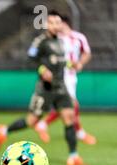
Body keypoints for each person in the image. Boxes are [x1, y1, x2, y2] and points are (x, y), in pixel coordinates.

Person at [0, 11, 83, 165]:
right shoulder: (40, 41)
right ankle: (4, 131)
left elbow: (61, 62)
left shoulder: (61, 42)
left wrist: (71, 65)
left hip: (61, 87)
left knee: (70, 118)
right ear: (47, 24)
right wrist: (42, 70)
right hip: (45, 89)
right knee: (31, 120)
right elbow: (29, 60)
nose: (56, 25)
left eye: (58, 22)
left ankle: (73, 156)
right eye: (53, 22)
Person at [34, 15, 96, 145]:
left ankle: (42, 124)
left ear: (64, 24)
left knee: (67, 106)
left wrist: (80, 63)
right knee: (71, 105)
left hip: (72, 76)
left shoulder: (78, 37)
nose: (56, 26)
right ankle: (79, 133)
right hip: (59, 75)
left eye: (58, 23)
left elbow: (87, 53)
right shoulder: (55, 39)